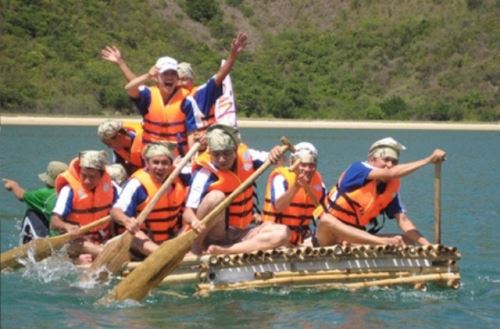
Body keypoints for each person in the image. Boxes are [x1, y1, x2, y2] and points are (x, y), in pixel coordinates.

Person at [315, 137, 446, 247]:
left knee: (407, 240)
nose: (390, 164)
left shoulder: (389, 187)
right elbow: (390, 173)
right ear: (372, 160)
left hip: (356, 236)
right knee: (326, 219)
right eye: (386, 160)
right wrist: (428, 160)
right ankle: (382, 242)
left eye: (394, 161)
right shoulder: (358, 169)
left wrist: (428, 245)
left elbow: (403, 221)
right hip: (328, 235)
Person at [182, 124, 289, 255]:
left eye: (227, 153)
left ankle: (226, 251)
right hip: (214, 235)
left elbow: (281, 161)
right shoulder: (204, 173)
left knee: (282, 233)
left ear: (234, 150)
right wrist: (194, 222)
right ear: (210, 153)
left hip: (241, 232)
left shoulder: (247, 157)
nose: (222, 159)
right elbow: (187, 212)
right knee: (216, 197)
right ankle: (196, 247)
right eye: (217, 154)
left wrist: (277, 154)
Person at [110, 142, 188, 257]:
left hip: (172, 238)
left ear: (171, 165)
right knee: (136, 236)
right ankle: (168, 255)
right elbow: (115, 211)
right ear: (147, 163)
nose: (160, 167)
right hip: (143, 241)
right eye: (155, 162)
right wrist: (126, 221)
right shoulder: (137, 184)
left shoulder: (181, 176)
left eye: (165, 163)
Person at [50, 151, 119, 264]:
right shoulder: (69, 190)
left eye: (92, 177)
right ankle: (80, 260)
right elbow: (54, 221)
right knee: (106, 254)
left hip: (102, 239)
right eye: (84, 175)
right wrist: (67, 226)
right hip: (76, 242)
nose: (87, 181)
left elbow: (121, 211)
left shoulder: (112, 188)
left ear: (102, 176)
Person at [261, 142, 327, 246]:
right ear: (293, 163)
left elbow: (324, 214)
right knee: (282, 234)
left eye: (311, 165)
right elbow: (278, 207)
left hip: (302, 237)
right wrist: (296, 186)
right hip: (276, 234)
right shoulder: (281, 178)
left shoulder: (320, 185)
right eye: (303, 165)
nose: (308, 169)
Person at [3, 161, 68, 243]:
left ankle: (26, 246)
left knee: (32, 211)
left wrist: (13, 185)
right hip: (70, 231)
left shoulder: (45, 193)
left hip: (56, 239)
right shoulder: (73, 191)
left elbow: (21, 195)